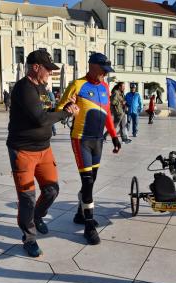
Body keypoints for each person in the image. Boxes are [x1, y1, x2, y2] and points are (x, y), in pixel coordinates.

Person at [7, 50, 79, 257]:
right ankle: (29, 238)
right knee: (27, 197)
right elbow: (40, 119)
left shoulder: (42, 88)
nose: (50, 73)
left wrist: (64, 107)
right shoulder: (24, 88)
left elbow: (47, 112)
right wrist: (66, 113)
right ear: (35, 67)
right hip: (22, 151)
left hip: (44, 149)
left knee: (52, 190)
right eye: (47, 68)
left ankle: (38, 216)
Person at [57, 52, 121, 245]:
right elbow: (59, 109)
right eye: (103, 71)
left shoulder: (104, 87)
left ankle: (79, 212)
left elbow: (108, 114)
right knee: (87, 182)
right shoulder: (77, 85)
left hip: (98, 140)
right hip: (81, 139)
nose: (105, 75)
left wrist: (115, 136)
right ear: (93, 67)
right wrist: (68, 106)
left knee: (91, 181)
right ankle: (89, 226)